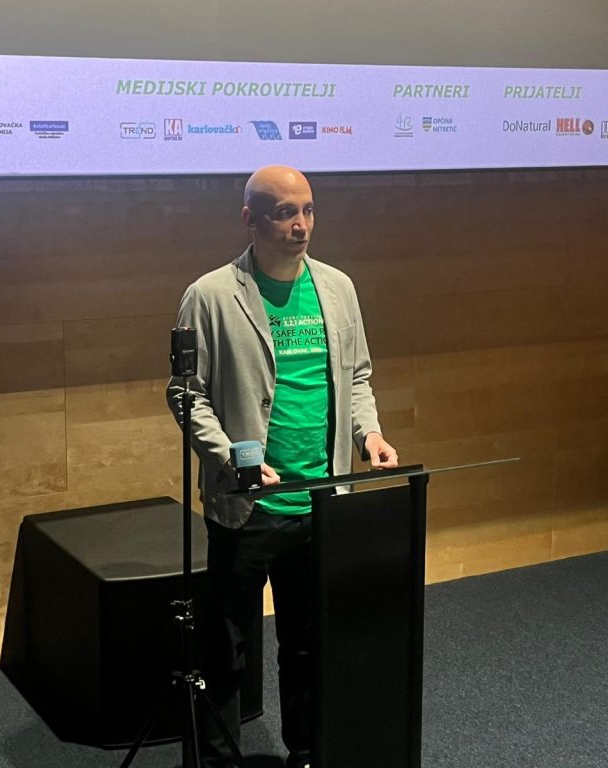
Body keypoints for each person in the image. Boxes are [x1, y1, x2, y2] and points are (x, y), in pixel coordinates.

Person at [166, 165, 398, 768]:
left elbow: (358, 377)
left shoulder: (338, 288)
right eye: (284, 213)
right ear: (250, 218)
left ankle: (308, 753)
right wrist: (227, 458)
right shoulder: (210, 295)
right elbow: (186, 394)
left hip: (323, 502)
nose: (301, 226)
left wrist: (369, 433)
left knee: (308, 645)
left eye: (309, 210)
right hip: (249, 507)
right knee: (226, 653)